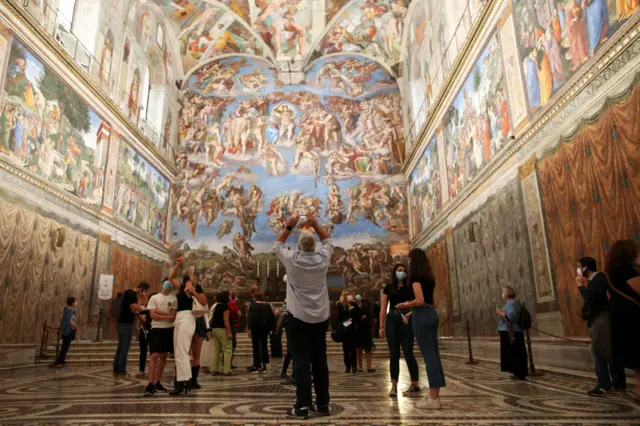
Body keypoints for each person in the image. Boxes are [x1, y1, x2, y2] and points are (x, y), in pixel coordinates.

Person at [273, 213, 333, 419]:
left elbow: (276, 246)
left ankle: (302, 405)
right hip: (320, 319)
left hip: (298, 318)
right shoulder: (323, 259)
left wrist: (289, 227)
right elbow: (327, 241)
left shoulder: (292, 260)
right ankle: (323, 404)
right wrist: (315, 223)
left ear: (299, 246)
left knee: (300, 360)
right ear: (314, 246)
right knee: (319, 360)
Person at [396, 248, 446, 409]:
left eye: (409, 259)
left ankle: (433, 399)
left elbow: (419, 300)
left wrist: (405, 305)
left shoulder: (416, 278)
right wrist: (412, 312)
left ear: (414, 261)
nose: (408, 262)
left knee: (429, 357)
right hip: (431, 314)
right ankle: (434, 396)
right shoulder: (429, 278)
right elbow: (431, 302)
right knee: (434, 355)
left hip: (422, 317)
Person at [576, 257, 626, 396]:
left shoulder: (599, 279)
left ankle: (611, 383)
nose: (578, 270)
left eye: (579, 266)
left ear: (586, 267)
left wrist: (580, 286)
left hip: (602, 320)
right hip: (597, 319)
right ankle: (607, 382)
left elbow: (592, 298)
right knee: (598, 351)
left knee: (604, 351)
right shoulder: (594, 281)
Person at [605, 240, 640, 400]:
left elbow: (609, 297)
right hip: (635, 318)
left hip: (621, 320)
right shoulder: (630, 272)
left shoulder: (611, 273)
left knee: (636, 359)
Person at [168, 257, 208, 396]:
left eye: (192, 278)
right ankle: (183, 380)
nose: (191, 279)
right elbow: (170, 277)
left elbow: (203, 302)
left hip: (188, 317)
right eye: (189, 278)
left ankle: (182, 381)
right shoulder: (180, 288)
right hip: (178, 317)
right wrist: (177, 265)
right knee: (178, 350)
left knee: (182, 350)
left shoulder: (197, 288)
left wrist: (194, 291)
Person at [379, 264, 420, 397]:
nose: (401, 272)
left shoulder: (410, 288)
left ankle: (415, 383)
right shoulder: (388, 287)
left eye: (404, 271)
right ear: (394, 272)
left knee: (408, 352)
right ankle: (394, 385)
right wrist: (381, 326)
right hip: (392, 320)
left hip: (407, 319)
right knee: (393, 354)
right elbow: (383, 308)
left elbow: (417, 303)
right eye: (399, 270)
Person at [144, 282, 177, 396]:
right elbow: (153, 316)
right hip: (156, 329)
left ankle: (157, 382)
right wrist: (167, 315)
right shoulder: (154, 298)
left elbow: (173, 318)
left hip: (168, 330)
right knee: (154, 355)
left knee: (163, 356)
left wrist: (160, 313)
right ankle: (150, 384)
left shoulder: (173, 299)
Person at [113, 282, 149, 378]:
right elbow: (134, 310)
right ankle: (121, 371)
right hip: (125, 324)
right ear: (142, 289)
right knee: (124, 348)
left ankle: (116, 370)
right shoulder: (132, 294)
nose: (145, 294)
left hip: (123, 323)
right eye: (145, 291)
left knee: (121, 347)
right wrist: (140, 299)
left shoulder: (129, 293)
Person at [496, 286, 528, 381]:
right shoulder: (515, 303)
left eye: (503, 292)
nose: (502, 294)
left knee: (514, 353)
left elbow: (512, 317)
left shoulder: (510, 303)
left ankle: (518, 373)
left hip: (511, 332)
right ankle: (518, 373)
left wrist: (500, 312)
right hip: (515, 332)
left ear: (506, 294)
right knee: (517, 352)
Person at [248, 292, 276, 372]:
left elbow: (251, 318)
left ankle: (256, 365)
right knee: (264, 346)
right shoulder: (267, 305)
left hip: (255, 328)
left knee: (256, 346)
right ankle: (264, 365)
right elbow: (272, 317)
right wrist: (273, 327)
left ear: (255, 298)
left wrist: (249, 329)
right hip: (265, 328)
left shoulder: (253, 305)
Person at [210, 291, 234, 376]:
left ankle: (214, 369)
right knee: (227, 349)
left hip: (215, 329)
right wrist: (229, 332)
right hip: (222, 329)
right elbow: (226, 320)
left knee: (216, 349)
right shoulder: (225, 307)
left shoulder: (217, 306)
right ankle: (227, 370)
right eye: (228, 296)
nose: (229, 297)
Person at [51, 296, 78, 369]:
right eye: (75, 301)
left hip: (70, 331)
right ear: (72, 302)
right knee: (65, 347)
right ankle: (60, 363)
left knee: (65, 347)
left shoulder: (71, 310)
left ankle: (60, 362)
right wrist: (75, 326)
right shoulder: (68, 310)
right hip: (68, 331)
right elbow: (68, 321)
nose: (76, 303)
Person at [336, 289, 358, 375]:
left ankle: (354, 366)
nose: (347, 296)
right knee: (345, 349)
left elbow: (357, 316)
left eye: (349, 294)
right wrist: (347, 310)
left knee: (353, 349)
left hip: (352, 329)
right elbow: (338, 317)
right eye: (346, 295)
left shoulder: (354, 304)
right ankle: (347, 366)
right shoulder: (340, 305)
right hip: (344, 329)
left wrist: (353, 310)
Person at [354, 294, 375, 373]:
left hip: (366, 330)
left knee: (368, 349)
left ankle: (369, 366)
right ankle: (360, 367)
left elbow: (370, 316)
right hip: (357, 331)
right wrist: (359, 318)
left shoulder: (366, 306)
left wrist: (365, 317)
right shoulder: (353, 307)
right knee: (359, 349)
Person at [136, 296, 153, 379]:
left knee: (153, 352)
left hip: (153, 331)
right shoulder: (145, 309)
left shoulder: (155, 309)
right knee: (143, 352)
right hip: (144, 332)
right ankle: (141, 370)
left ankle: (152, 370)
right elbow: (144, 322)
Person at [228, 291, 240, 368]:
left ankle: (227, 362)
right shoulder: (233, 303)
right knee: (232, 344)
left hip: (229, 325)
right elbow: (238, 313)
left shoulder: (228, 303)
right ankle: (229, 363)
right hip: (233, 325)